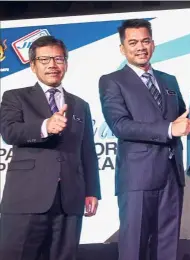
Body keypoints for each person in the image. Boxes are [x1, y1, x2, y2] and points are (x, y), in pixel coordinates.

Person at [99, 19, 190, 260]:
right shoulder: (112, 81)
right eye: (133, 42)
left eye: (145, 41)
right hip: (137, 177)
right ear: (122, 48)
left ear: (153, 44)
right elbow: (120, 125)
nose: (140, 47)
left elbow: (183, 117)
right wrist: (170, 129)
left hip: (172, 175)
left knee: (168, 246)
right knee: (134, 247)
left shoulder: (168, 80)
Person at [0, 36, 101, 260]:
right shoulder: (15, 97)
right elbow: (10, 132)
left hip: (69, 199)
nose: (52, 65)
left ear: (66, 63)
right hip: (26, 198)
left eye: (58, 59)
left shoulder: (80, 105)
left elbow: (88, 151)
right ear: (33, 66)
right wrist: (45, 126)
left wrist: (92, 190)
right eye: (44, 59)